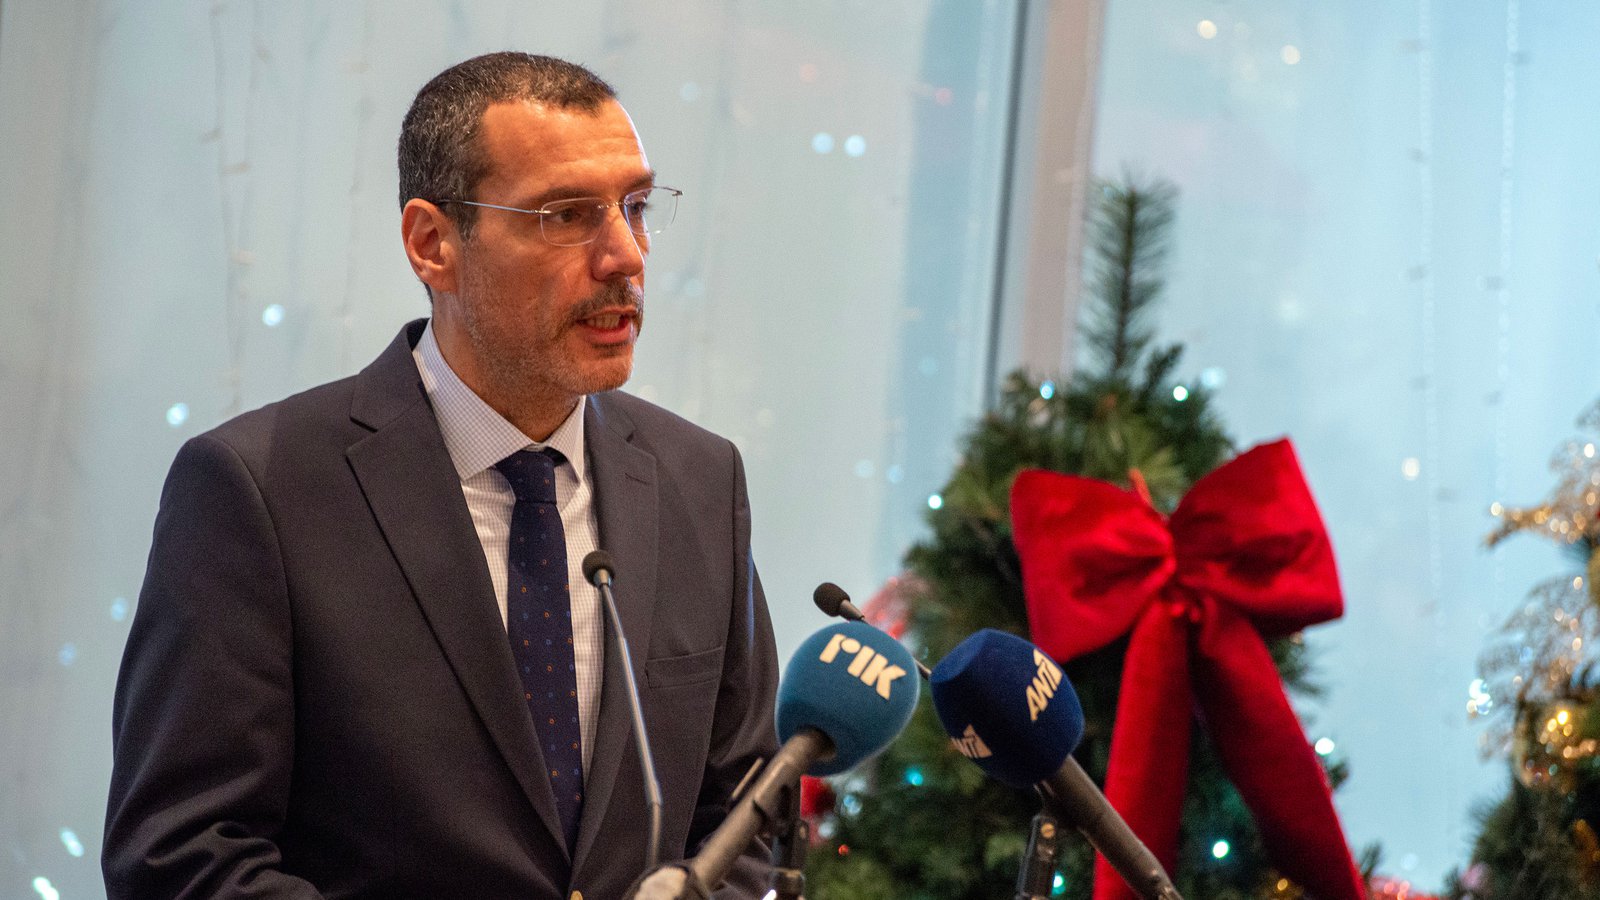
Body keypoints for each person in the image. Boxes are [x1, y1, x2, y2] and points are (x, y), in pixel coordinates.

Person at [103, 52, 779, 900]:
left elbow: (747, 823)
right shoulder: (258, 489)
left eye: (635, 207)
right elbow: (181, 857)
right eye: (567, 216)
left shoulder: (701, 481)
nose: (624, 256)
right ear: (433, 245)